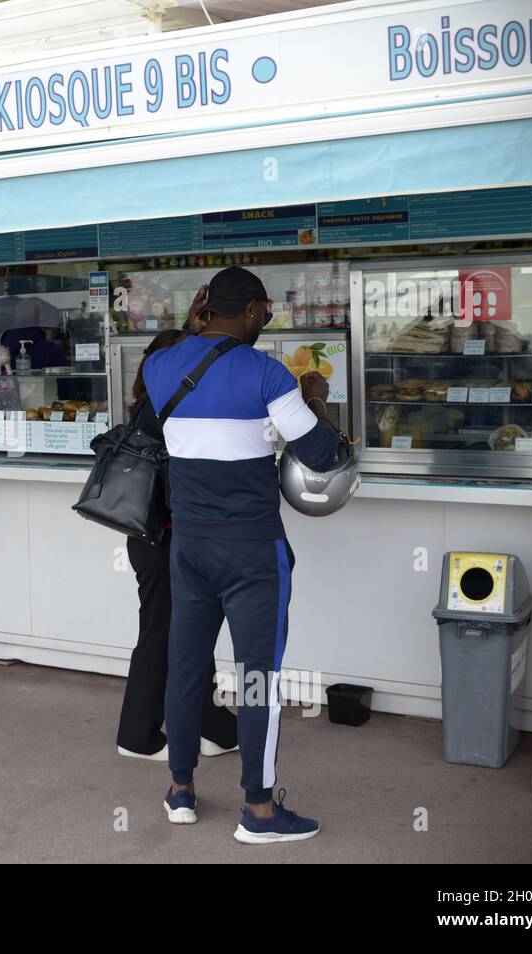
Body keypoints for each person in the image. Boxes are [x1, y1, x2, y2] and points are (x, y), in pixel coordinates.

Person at [142, 266, 338, 843]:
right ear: (251, 311)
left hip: (189, 546)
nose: (267, 319)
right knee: (258, 678)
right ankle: (260, 810)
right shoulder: (268, 374)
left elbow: (183, 387)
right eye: (265, 311)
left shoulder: (158, 365)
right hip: (252, 550)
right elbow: (321, 455)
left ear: (206, 308)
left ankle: (180, 789)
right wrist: (316, 400)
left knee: (186, 667)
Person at [117, 288, 239, 762]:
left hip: (168, 536)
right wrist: (195, 331)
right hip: (159, 537)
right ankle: (137, 736)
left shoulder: (154, 408)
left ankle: (210, 725)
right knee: (162, 632)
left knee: (190, 631)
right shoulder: (159, 411)